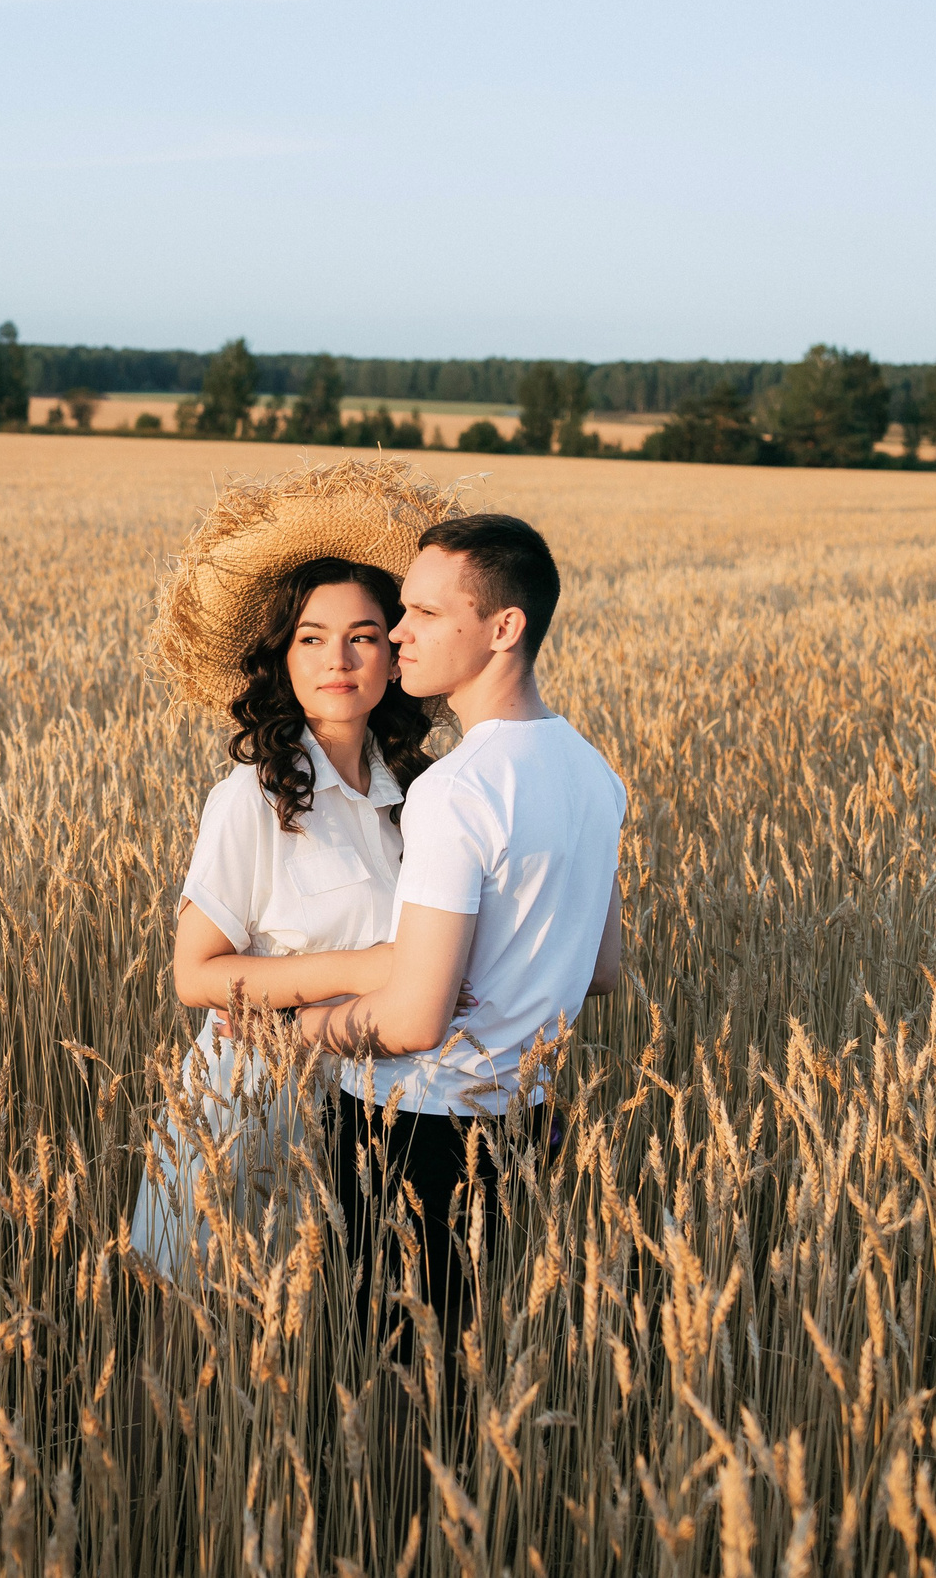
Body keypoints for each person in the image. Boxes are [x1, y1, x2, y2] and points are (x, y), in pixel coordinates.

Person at [266, 511, 625, 1351]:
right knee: (463, 1366)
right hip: (525, 1119)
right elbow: (602, 968)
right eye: (405, 610)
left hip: (411, 1128)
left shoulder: (457, 789)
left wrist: (296, 1025)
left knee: (388, 1381)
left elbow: (413, 1022)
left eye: (427, 614)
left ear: (505, 628)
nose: (399, 631)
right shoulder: (594, 770)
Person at [133, 459, 469, 1279]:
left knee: (339, 1351)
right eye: (311, 639)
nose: (337, 660)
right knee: (231, 1354)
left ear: (394, 653)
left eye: (361, 637)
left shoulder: (417, 802)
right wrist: (369, 969)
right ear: (282, 657)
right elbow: (194, 973)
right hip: (250, 1107)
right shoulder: (251, 799)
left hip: (381, 1118)